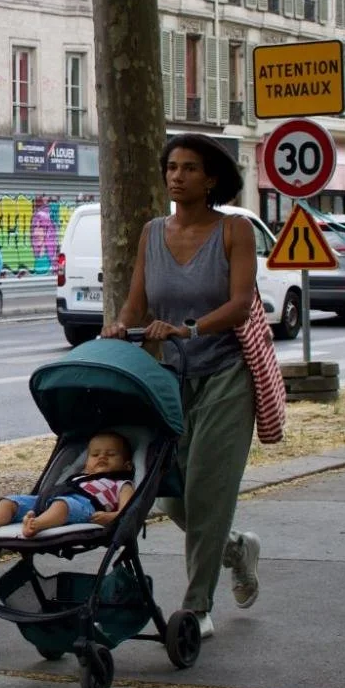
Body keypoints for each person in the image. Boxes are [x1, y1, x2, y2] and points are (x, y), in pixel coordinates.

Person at [101, 134, 261, 640]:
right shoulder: (153, 233)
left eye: (190, 168)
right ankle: (235, 550)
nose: (177, 176)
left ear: (211, 178)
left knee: (208, 493)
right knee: (173, 499)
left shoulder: (234, 231)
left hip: (226, 377)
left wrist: (189, 329)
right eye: (171, 166)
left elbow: (240, 304)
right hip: (170, 380)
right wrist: (117, 326)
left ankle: (196, 607)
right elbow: (137, 303)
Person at [0, 431, 134, 538]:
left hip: (85, 506)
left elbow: (129, 509)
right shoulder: (80, 476)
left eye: (110, 454)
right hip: (48, 500)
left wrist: (111, 517)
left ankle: (37, 525)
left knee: (63, 505)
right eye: (95, 455)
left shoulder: (120, 483)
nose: (102, 457)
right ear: (86, 463)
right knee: (11, 501)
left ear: (127, 465)